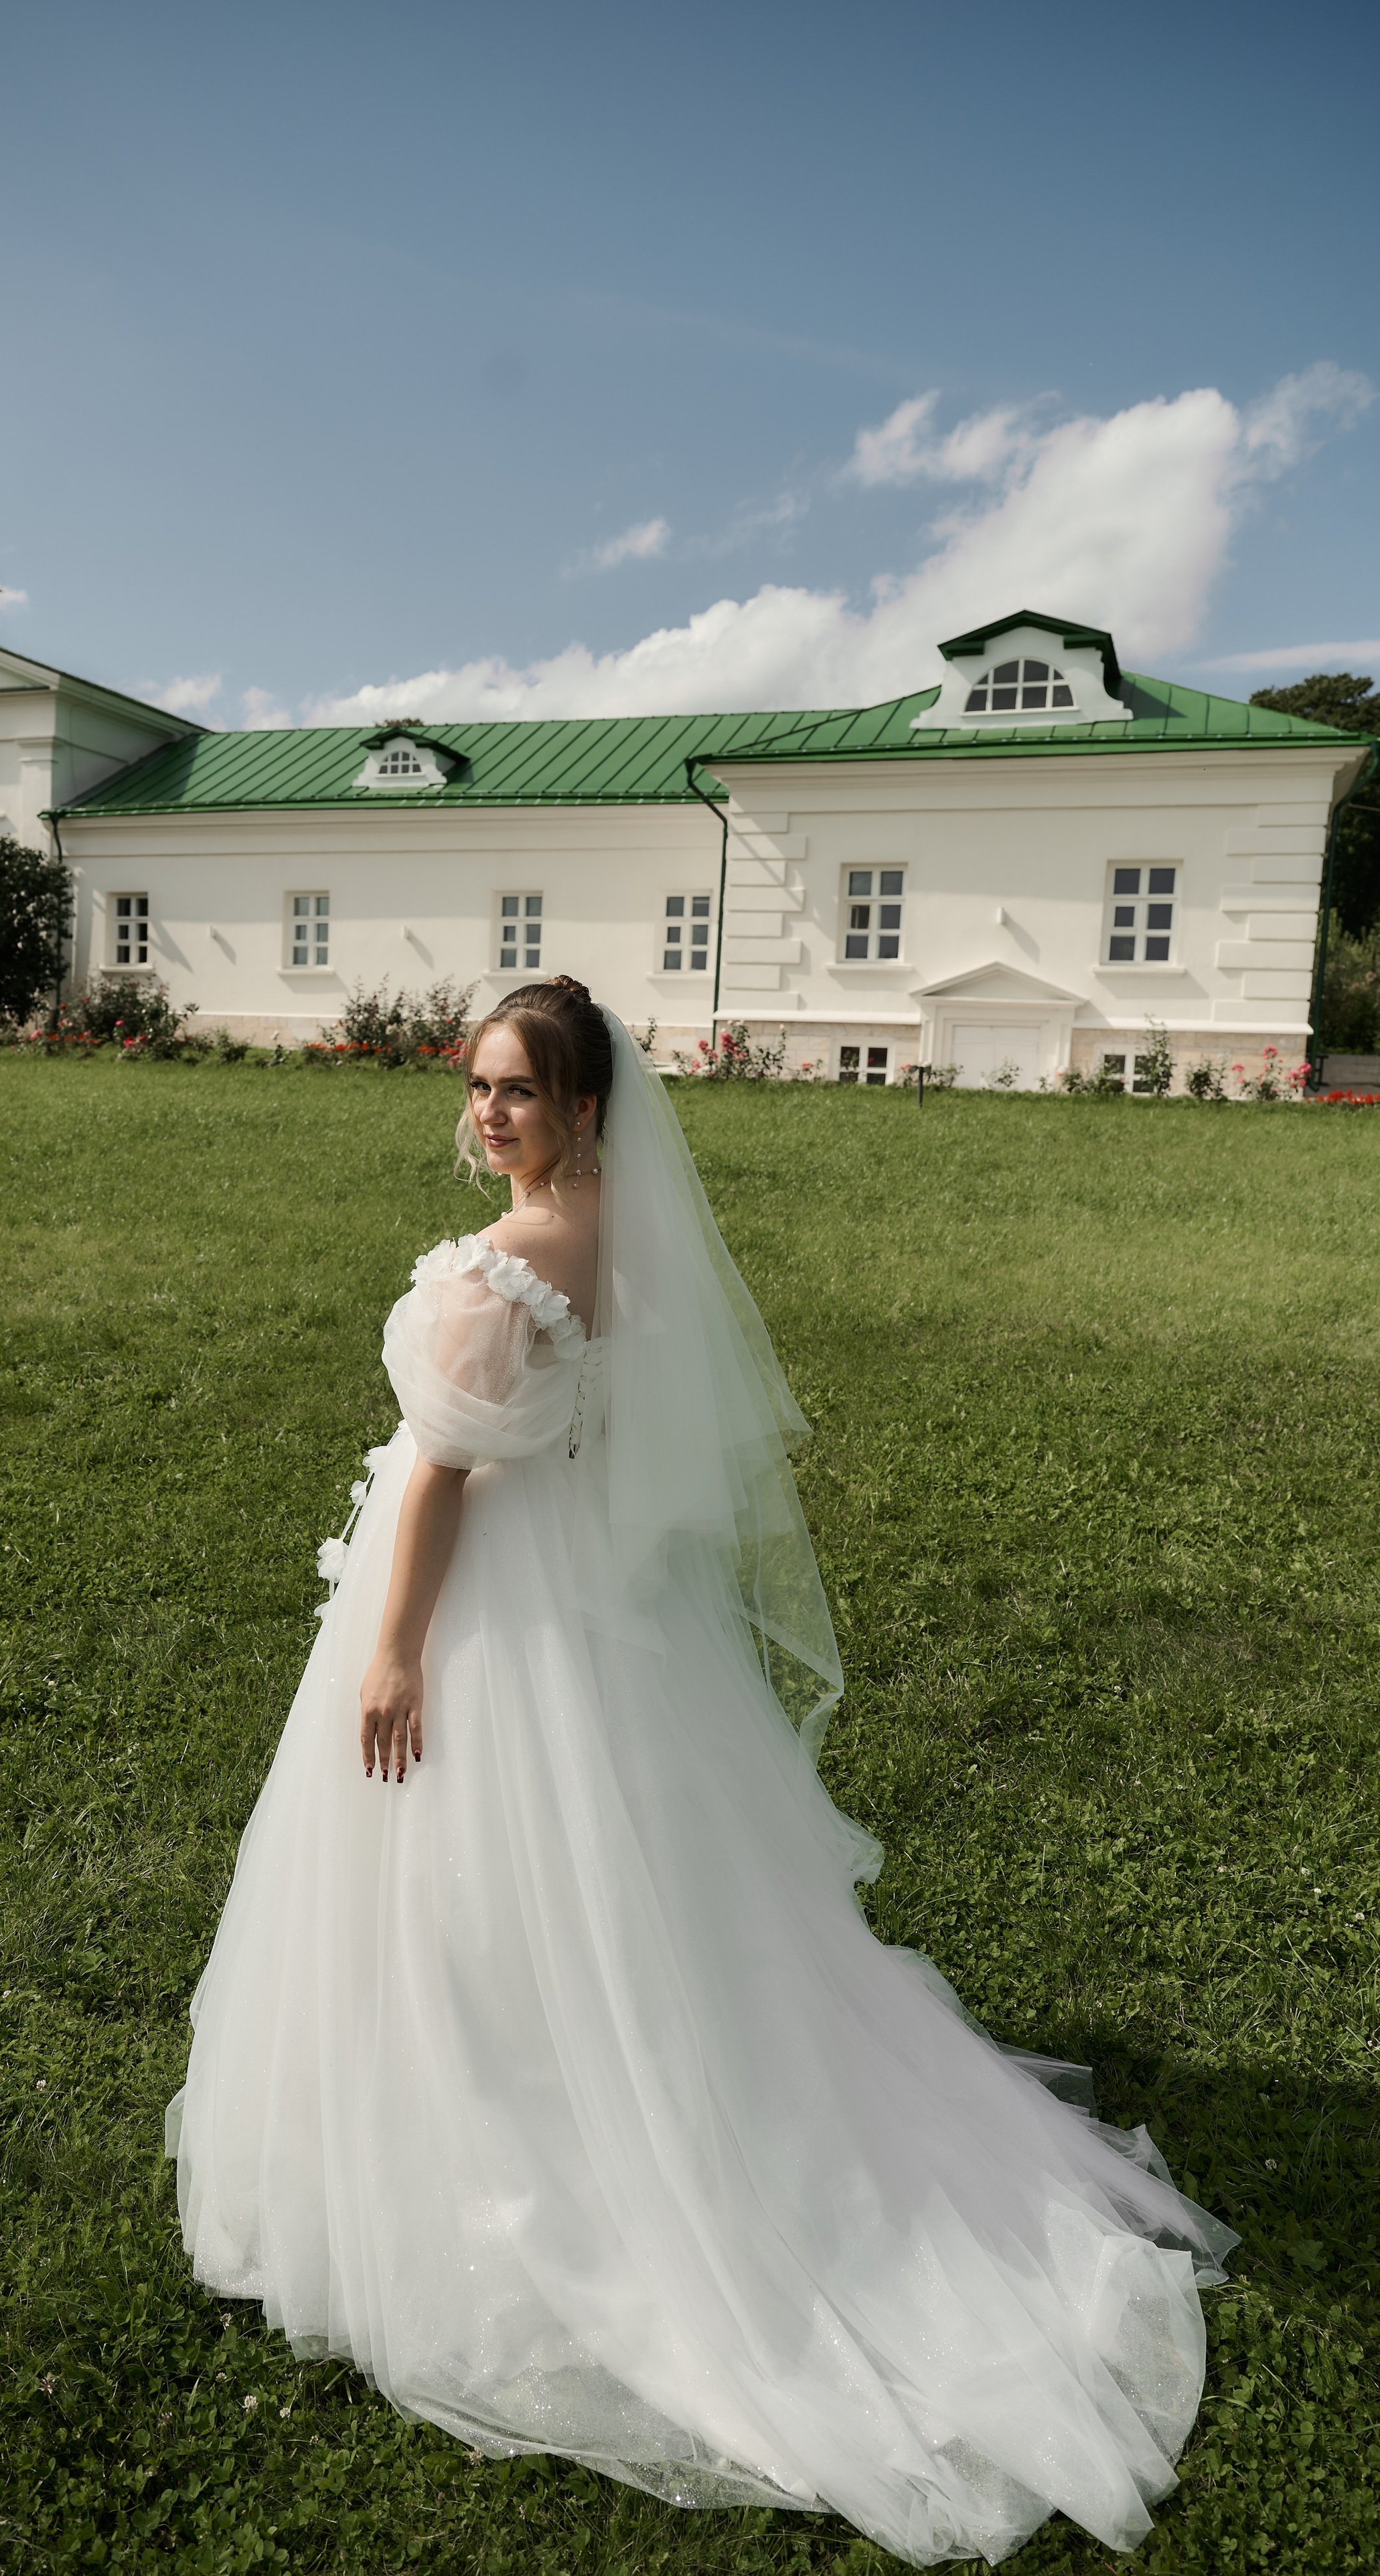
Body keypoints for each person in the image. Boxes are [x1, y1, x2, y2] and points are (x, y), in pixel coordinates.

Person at [167, 977, 1233, 2568]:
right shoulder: (622, 1239)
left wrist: (392, 1650)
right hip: (595, 1611)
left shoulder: (508, 1261)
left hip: (487, 1619)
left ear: (585, 1107)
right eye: (477, 1085)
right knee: (613, 1887)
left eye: (519, 1090)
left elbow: (445, 1474)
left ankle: (484, 2150)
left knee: (464, 1883)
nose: (488, 1112)